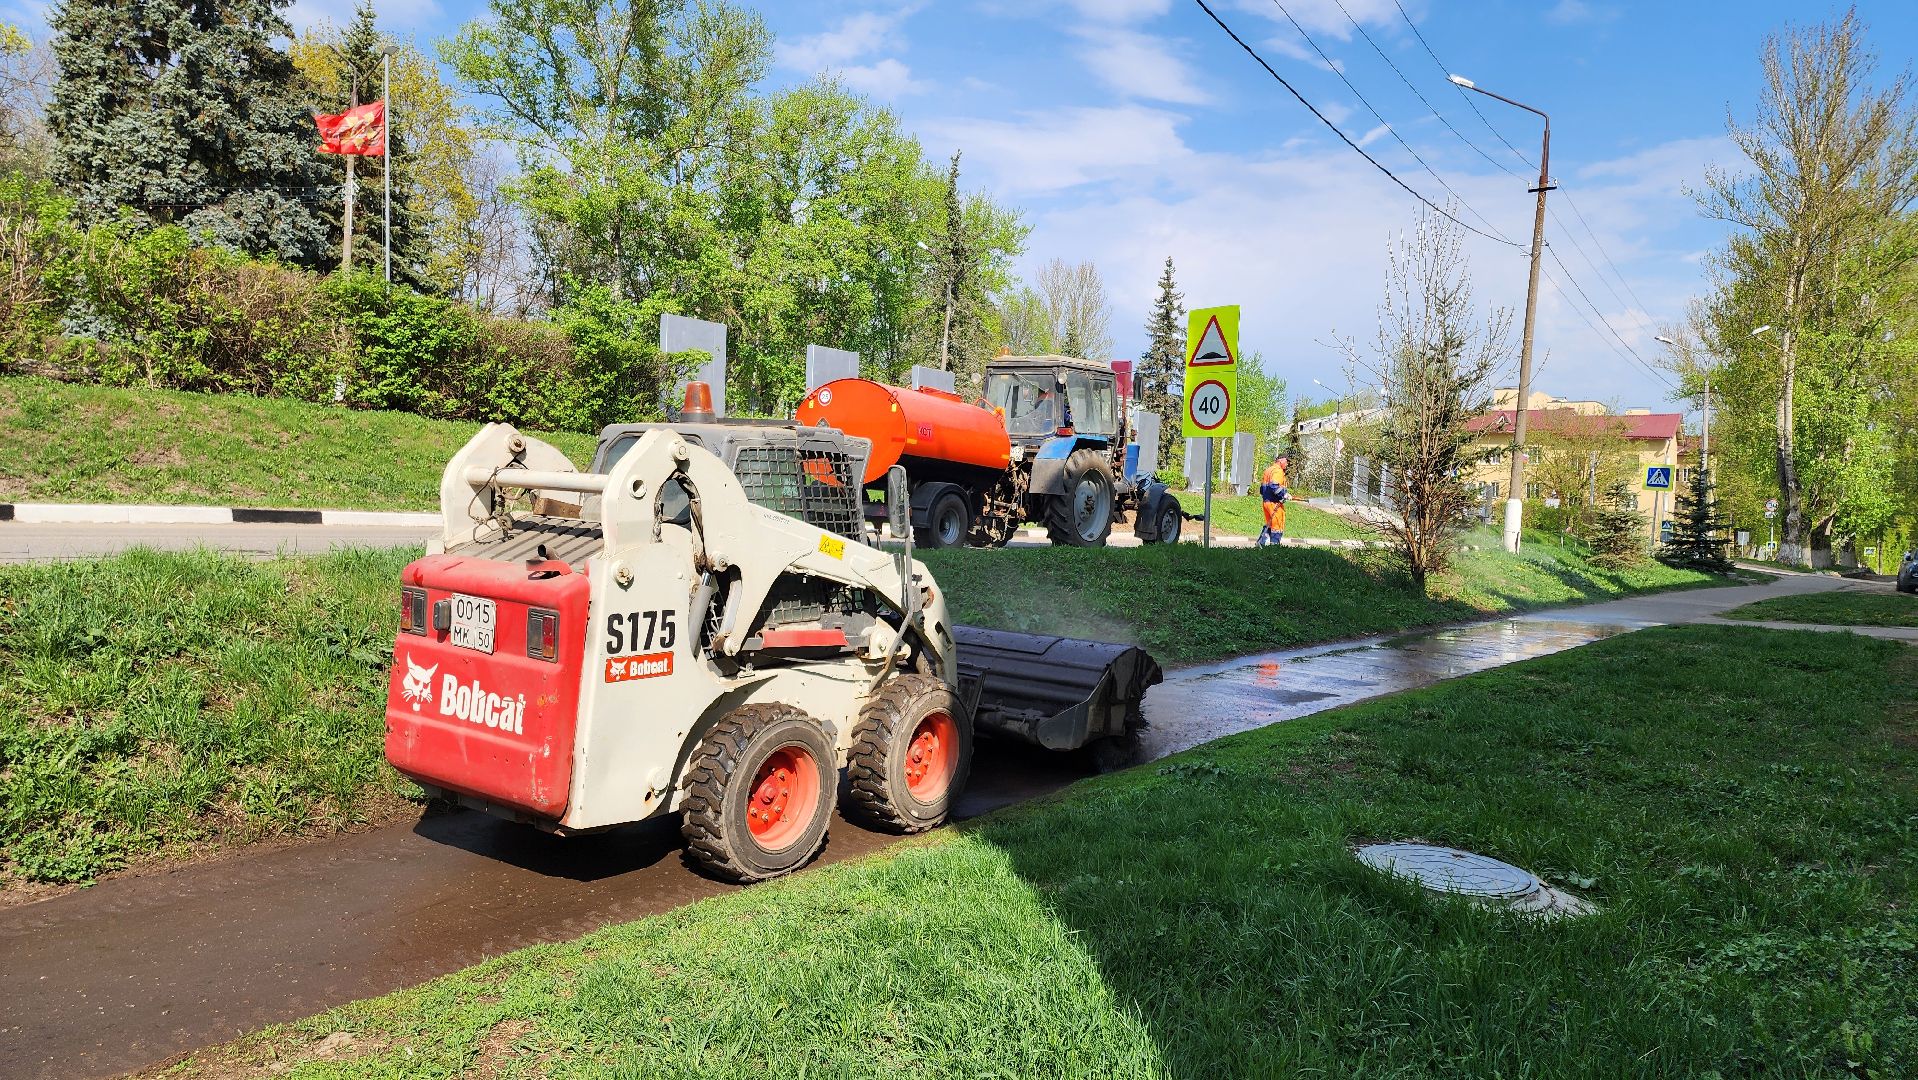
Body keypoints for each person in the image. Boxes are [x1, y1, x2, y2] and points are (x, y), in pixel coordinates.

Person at [1258, 454, 1289, 547]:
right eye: (1286, 461)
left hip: (1266, 502)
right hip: (1274, 503)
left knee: (1270, 524)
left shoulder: (1269, 470)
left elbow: (1262, 489)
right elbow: (1274, 485)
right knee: (1277, 525)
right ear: (1281, 461)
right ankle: (1274, 548)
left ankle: (1260, 544)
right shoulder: (1278, 471)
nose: (1287, 464)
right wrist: (1284, 494)